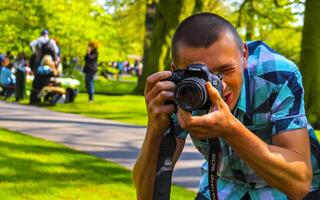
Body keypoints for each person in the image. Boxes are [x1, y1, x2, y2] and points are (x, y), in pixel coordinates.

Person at [133, 12, 320, 200]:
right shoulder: (180, 92)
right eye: (202, 76)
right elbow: (146, 196)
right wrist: (155, 130)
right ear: (176, 71)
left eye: (225, 70)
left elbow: (299, 183)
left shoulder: (276, 76)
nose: (218, 86)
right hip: (224, 186)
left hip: (284, 187)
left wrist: (231, 130)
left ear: (244, 55)